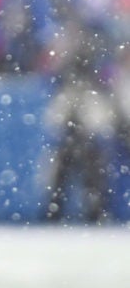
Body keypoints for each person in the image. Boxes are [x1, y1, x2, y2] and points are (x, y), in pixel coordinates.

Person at [42, 21, 116, 224]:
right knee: (64, 167)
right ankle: (56, 210)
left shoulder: (97, 59)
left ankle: (93, 210)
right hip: (72, 126)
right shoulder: (69, 65)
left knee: (91, 165)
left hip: (84, 122)